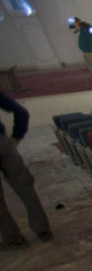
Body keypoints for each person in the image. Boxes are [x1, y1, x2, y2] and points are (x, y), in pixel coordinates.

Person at [0, 93, 51, 250]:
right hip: (2, 144)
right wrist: (16, 137)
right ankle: (43, 231)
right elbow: (21, 112)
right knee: (26, 188)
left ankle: (14, 240)